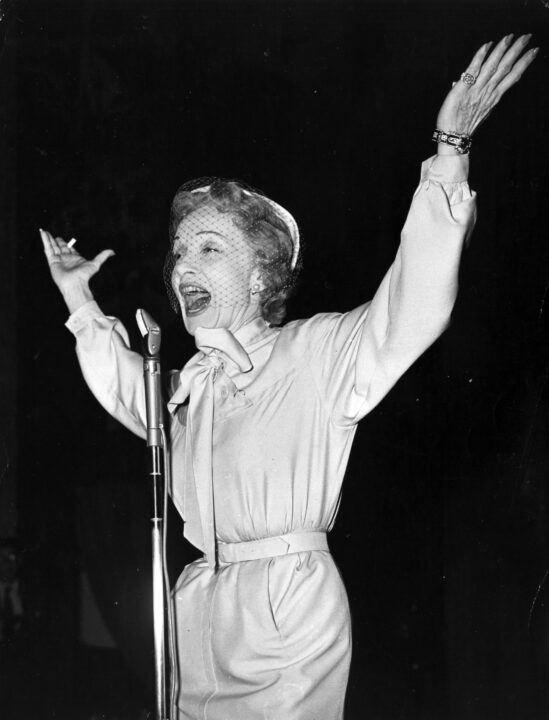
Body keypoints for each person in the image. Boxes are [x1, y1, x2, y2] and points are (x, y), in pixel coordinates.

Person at [41, 35, 536, 720]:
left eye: (210, 248)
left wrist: (448, 153)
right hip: (195, 615)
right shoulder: (192, 386)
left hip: (285, 612)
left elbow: (412, 302)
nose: (183, 267)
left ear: (263, 273)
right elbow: (126, 388)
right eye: (180, 250)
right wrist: (78, 300)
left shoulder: (316, 352)